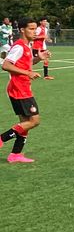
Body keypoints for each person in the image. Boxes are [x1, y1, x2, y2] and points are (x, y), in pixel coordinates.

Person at [1, 18, 44, 163]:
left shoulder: (26, 46)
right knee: (34, 120)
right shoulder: (19, 46)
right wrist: (28, 73)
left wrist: (38, 58)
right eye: (31, 29)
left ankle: (15, 155)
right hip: (20, 89)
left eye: (35, 29)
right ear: (22, 30)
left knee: (24, 123)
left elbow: (25, 63)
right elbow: (6, 65)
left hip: (21, 88)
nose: (35, 32)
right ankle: (2, 139)